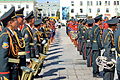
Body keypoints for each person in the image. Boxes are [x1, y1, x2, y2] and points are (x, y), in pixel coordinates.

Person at [0, 7, 19, 80]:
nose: (17, 22)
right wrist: (4, 74)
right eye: (15, 21)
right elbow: (3, 56)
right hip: (8, 70)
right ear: (10, 23)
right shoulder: (5, 35)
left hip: (13, 68)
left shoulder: (11, 34)